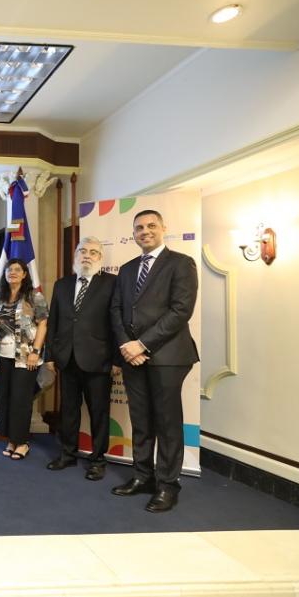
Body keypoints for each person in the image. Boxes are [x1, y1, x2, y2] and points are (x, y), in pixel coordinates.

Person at [110, 209, 198, 513]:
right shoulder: (127, 268)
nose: (144, 231)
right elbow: (117, 311)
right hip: (132, 357)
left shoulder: (181, 263)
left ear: (163, 228)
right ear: (133, 234)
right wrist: (126, 345)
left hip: (168, 356)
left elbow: (180, 311)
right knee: (142, 420)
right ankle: (143, 477)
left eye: (150, 226)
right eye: (139, 227)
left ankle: (167, 485)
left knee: (167, 422)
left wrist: (142, 344)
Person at [45, 237, 117, 480]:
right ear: (75, 255)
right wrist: (50, 355)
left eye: (93, 252)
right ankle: (67, 454)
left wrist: (117, 360)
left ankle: (98, 460)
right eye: (82, 251)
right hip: (66, 358)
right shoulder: (62, 284)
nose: (87, 255)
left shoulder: (111, 284)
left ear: (100, 258)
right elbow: (53, 321)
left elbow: (116, 324)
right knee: (68, 410)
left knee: (99, 412)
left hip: (99, 360)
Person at [0, 258, 47, 460]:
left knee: (20, 400)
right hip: (2, 357)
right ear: (5, 275)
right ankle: (11, 439)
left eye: (17, 270)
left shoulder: (34, 296)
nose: (12, 273)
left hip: (25, 357)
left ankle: (22, 442)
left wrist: (36, 351)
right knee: (4, 399)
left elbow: (43, 324)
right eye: (9, 270)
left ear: (25, 274)